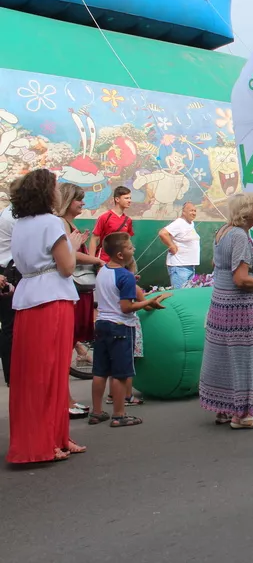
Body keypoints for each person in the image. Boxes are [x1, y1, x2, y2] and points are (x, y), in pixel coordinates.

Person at [6, 168, 88, 463]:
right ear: (46, 193)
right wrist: (74, 246)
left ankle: (53, 438)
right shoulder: (52, 222)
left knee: (33, 373)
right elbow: (67, 267)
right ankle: (49, 441)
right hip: (53, 297)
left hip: (28, 296)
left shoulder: (20, 224)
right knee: (52, 373)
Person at [198, 193, 253, 430]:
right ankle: (242, 415)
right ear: (246, 211)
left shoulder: (223, 232)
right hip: (239, 308)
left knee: (221, 357)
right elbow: (241, 279)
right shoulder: (240, 237)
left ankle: (224, 408)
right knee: (243, 359)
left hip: (219, 304)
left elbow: (217, 265)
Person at [88, 233, 169, 427]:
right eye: (130, 247)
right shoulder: (126, 276)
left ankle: (97, 412)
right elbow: (126, 307)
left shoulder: (103, 271)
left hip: (102, 324)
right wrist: (148, 301)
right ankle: (119, 414)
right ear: (120, 254)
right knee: (121, 374)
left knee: (100, 371)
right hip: (121, 326)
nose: (133, 249)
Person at [55, 183, 105, 419]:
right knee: (65, 347)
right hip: (71, 288)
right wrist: (96, 261)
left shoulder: (68, 224)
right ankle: (64, 399)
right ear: (68, 200)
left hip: (77, 290)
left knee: (68, 344)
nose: (82, 203)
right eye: (79, 200)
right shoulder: (61, 223)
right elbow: (68, 255)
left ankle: (67, 398)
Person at [158, 202, 200, 289]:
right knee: (180, 294)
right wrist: (172, 246)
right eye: (191, 210)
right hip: (180, 266)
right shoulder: (179, 222)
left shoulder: (191, 223)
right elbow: (163, 233)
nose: (194, 213)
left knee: (188, 295)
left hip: (189, 265)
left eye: (195, 211)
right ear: (184, 212)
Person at [0, 179, 17, 386]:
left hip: (7, 271)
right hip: (7, 272)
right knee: (10, 328)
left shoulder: (9, 214)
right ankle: (12, 375)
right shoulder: (13, 217)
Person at [89, 185, 134, 263]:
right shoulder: (104, 217)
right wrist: (91, 260)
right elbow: (94, 239)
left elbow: (127, 241)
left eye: (130, 198)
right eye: (126, 198)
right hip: (104, 259)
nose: (129, 200)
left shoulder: (128, 220)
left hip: (120, 260)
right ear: (117, 199)